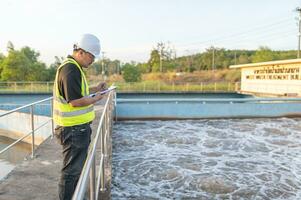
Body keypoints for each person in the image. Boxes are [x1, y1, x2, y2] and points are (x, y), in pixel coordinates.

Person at [53, 33, 106, 200]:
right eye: (91, 56)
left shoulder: (74, 68)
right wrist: (95, 100)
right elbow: (75, 101)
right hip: (73, 130)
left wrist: (95, 89)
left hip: (75, 129)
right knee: (71, 173)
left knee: (74, 171)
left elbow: (78, 93)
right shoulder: (71, 69)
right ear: (81, 52)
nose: (92, 60)